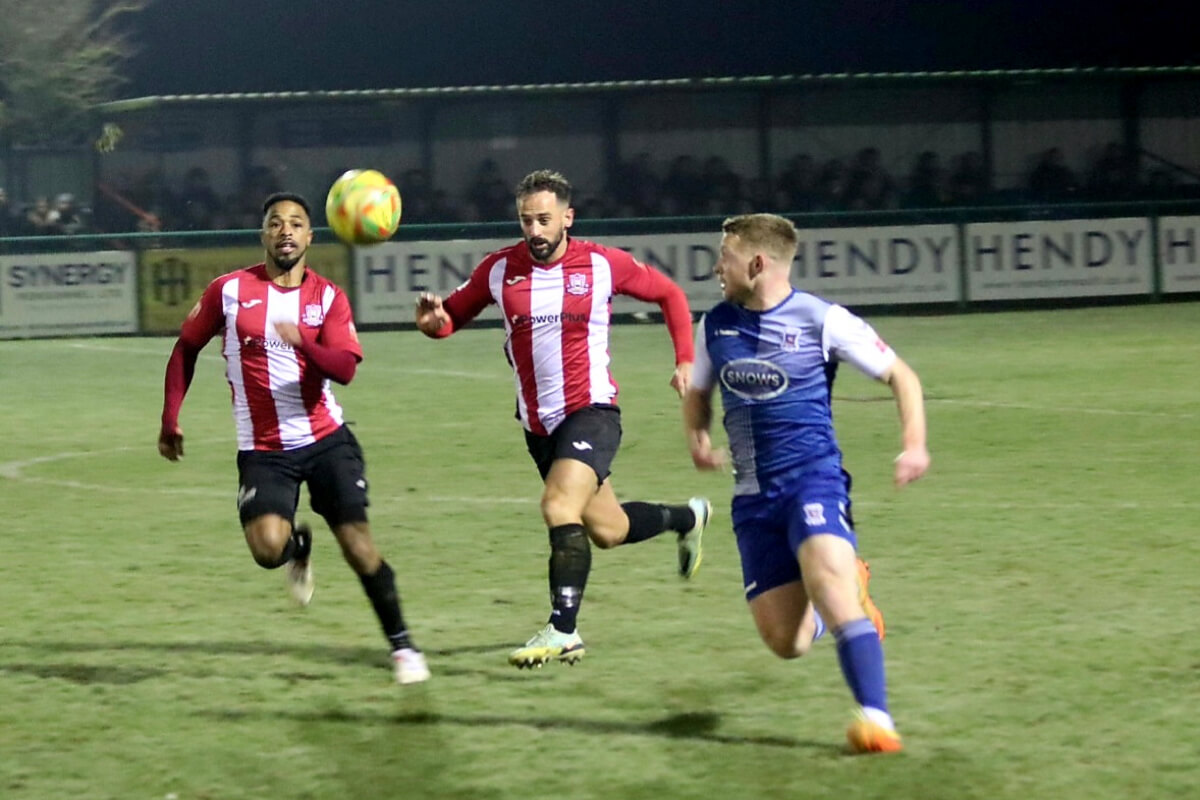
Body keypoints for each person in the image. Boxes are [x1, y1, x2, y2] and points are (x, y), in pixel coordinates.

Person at [415, 169, 711, 669]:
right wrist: (433, 325)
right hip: (539, 427)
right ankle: (689, 517)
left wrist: (685, 359)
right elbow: (450, 319)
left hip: (591, 410)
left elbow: (671, 296)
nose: (534, 229)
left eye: (544, 219)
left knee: (557, 505)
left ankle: (564, 629)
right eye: (526, 219)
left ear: (567, 218)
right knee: (609, 530)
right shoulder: (498, 269)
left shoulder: (601, 264)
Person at [157, 192, 430, 685]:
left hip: (326, 442)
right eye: (276, 223)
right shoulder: (230, 290)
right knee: (267, 550)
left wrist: (305, 342)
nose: (286, 230)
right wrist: (169, 417)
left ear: (310, 236)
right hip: (263, 450)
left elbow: (345, 369)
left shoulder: (328, 298)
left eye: (296, 224)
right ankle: (297, 545)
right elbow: (186, 348)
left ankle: (402, 646)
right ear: (263, 233)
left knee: (359, 549)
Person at [681, 213, 929, 754]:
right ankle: (848, 590)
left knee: (835, 595)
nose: (716, 267)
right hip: (752, 499)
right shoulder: (715, 325)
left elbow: (901, 376)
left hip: (813, 483)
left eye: (724, 256)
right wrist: (698, 436)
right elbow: (698, 392)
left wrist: (914, 444)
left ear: (756, 262)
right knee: (786, 643)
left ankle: (876, 718)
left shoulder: (823, 319)